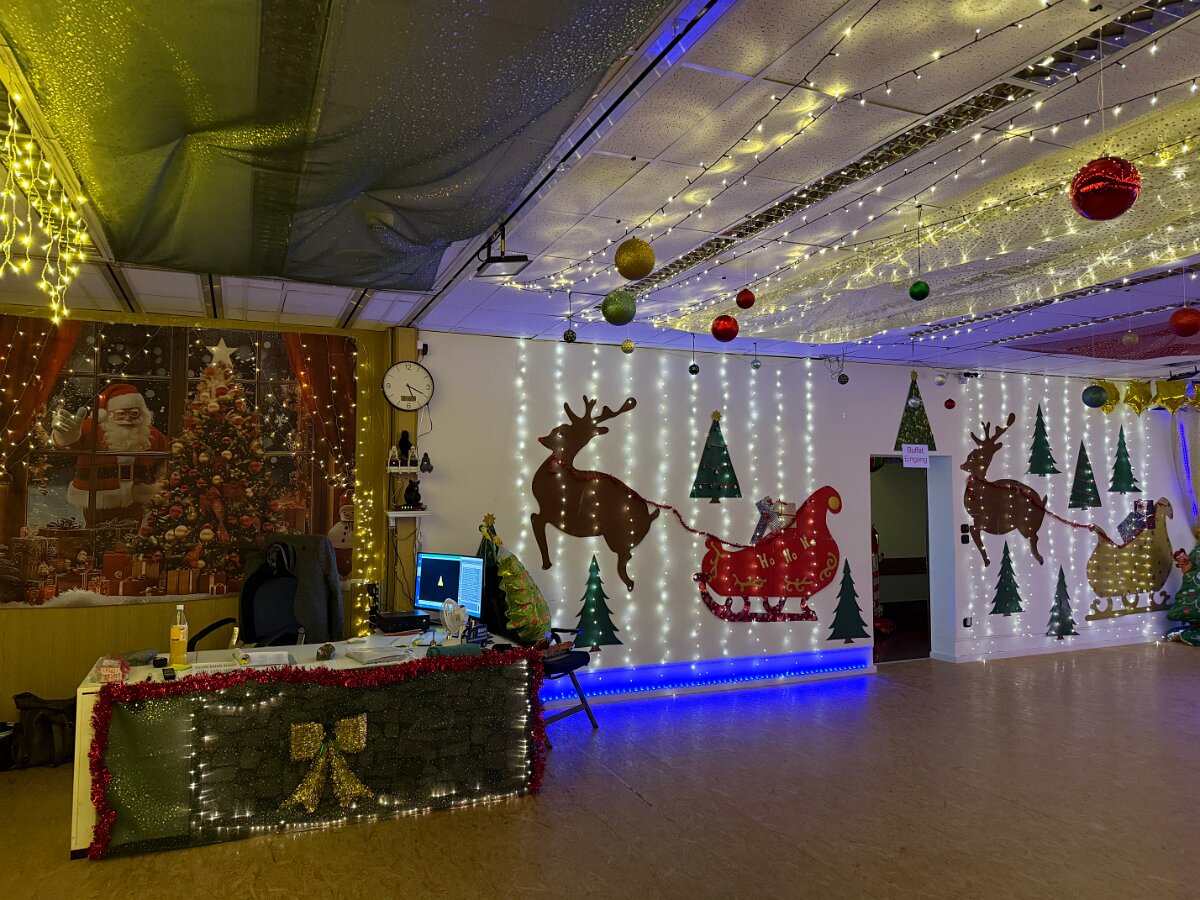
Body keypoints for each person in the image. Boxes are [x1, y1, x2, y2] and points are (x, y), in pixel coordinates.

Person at [50, 383, 168, 526]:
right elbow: (67, 444)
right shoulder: (91, 428)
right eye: (121, 413)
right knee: (96, 530)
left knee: (133, 531)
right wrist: (66, 436)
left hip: (137, 498)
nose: (127, 418)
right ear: (109, 414)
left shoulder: (151, 435)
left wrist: (162, 483)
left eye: (134, 413)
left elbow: (164, 459)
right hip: (97, 497)